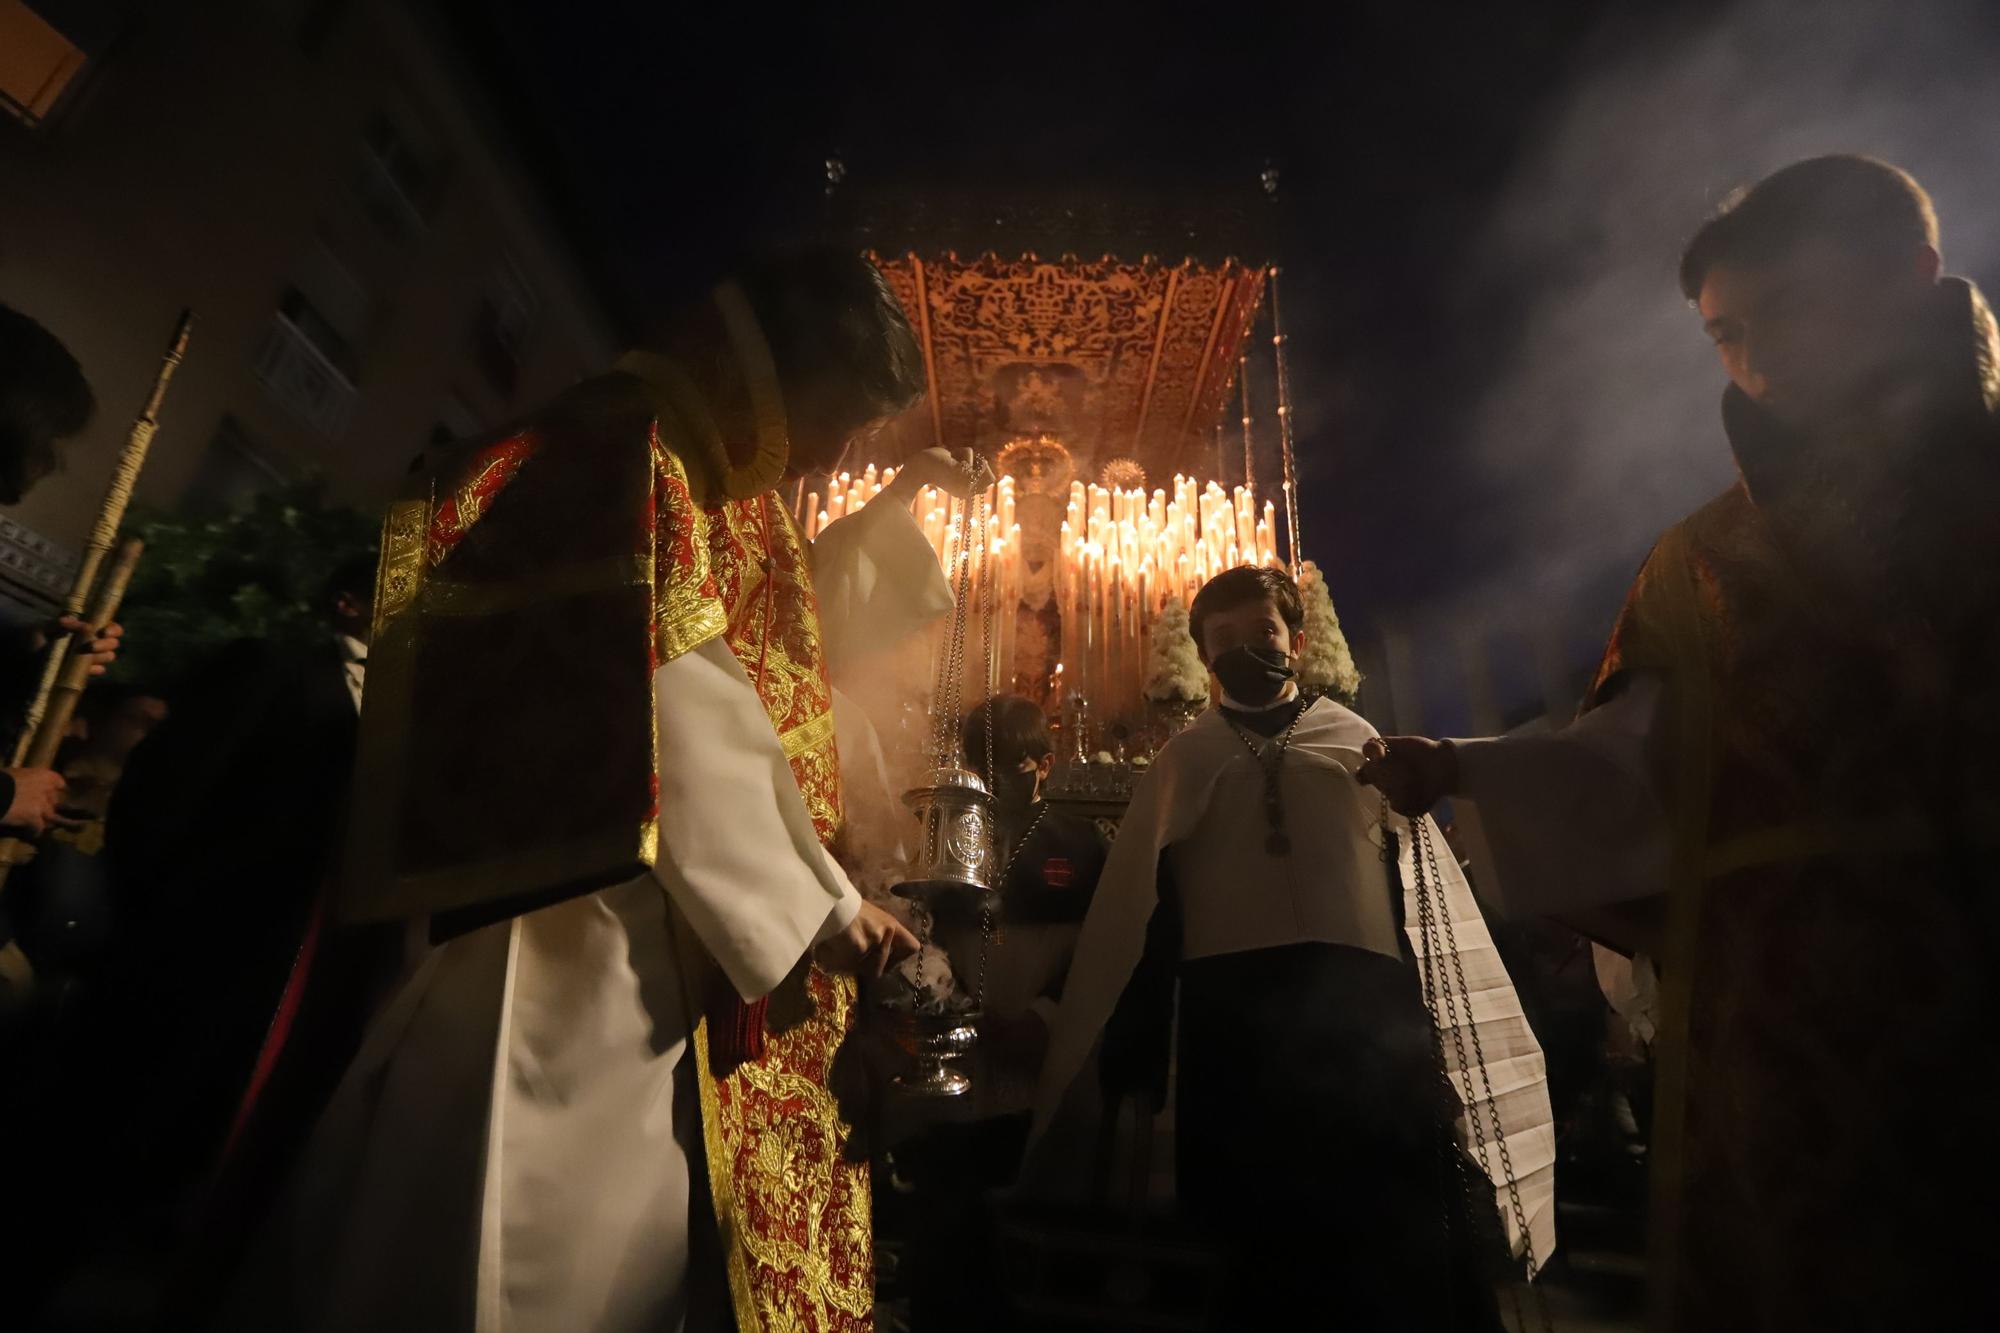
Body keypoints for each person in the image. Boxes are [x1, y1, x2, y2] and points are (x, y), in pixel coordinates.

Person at [214, 250, 982, 1333]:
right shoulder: (615, 449)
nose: (826, 454)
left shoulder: (693, 475)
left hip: (660, 915)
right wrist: (819, 902)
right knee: (511, 1236)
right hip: (555, 917)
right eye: (837, 418)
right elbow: (671, 694)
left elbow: (765, 670)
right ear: (771, 372)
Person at [1359, 155, 2000, 1330]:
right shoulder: (1697, 563)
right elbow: (1633, 765)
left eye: (1786, 311)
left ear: (1909, 277)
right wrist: (1463, 767)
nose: (1758, 359)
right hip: (1771, 1028)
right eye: (1725, 334)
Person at [1033, 565, 1533, 1330]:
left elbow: (1411, 881)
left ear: (1294, 641)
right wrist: (1133, 1042)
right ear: (1204, 656)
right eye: (1223, 637)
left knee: (1389, 1219)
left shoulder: (1357, 739)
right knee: (1254, 1233)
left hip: (1364, 1009)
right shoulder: (1184, 759)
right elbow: (1149, 908)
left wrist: (1431, 1007)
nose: (1244, 647)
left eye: (1261, 631)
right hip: (1235, 1017)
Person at [895, 695, 1108, 1331]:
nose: (990, 784)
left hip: (1044, 1053)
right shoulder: (940, 830)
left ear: (1043, 764)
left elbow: (1106, 945)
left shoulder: (1081, 843)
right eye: (976, 765)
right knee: (946, 1222)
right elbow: (913, 928)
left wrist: (1041, 1019)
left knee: (1033, 1227)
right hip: (956, 1050)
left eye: (1008, 768)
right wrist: (950, 1004)